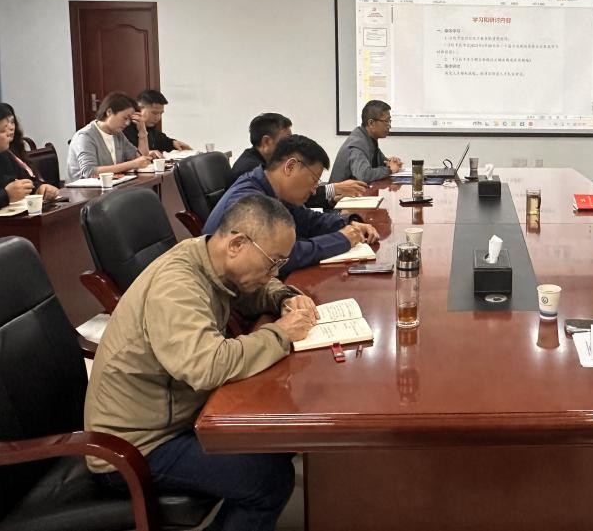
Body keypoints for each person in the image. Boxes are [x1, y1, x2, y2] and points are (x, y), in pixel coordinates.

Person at [85, 194, 317, 531]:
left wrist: (283, 297)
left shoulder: (210, 259)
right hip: (135, 446)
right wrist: (281, 334)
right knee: (267, 480)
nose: (275, 272)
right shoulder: (177, 286)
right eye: (272, 261)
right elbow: (207, 366)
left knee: (278, 438)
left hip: (174, 415)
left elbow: (251, 292)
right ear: (236, 244)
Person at [204, 134, 378, 277]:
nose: (314, 191)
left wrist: (349, 223)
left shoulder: (275, 190)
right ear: (290, 166)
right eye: (314, 180)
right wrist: (342, 239)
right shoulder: (249, 200)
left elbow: (308, 220)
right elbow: (278, 257)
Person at [231, 112, 368, 206]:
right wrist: (333, 189)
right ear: (266, 142)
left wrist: (332, 200)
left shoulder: (266, 164)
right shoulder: (250, 170)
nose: (290, 145)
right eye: (286, 139)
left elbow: (297, 208)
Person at [0, 101, 57, 212]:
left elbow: (20, 181)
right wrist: (6, 195)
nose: (9, 133)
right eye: (2, 130)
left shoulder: (2, 156)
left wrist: (39, 189)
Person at [67, 92, 153, 181]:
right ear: (109, 112)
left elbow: (142, 160)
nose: (127, 123)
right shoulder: (85, 136)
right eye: (125, 118)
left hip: (111, 186)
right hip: (85, 188)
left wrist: (142, 132)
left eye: (130, 120)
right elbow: (89, 172)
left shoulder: (118, 134)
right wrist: (132, 164)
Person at [331, 100, 403, 184]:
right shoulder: (357, 144)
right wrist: (389, 170)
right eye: (386, 121)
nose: (389, 126)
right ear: (371, 123)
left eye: (390, 121)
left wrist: (391, 162)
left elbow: (382, 162)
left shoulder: (369, 139)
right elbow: (364, 175)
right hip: (342, 192)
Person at [123, 89, 191, 154]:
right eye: (154, 113)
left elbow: (161, 140)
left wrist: (173, 143)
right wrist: (148, 153)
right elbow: (126, 154)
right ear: (139, 109)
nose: (158, 118)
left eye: (161, 113)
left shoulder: (150, 127)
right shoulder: (124, 128)